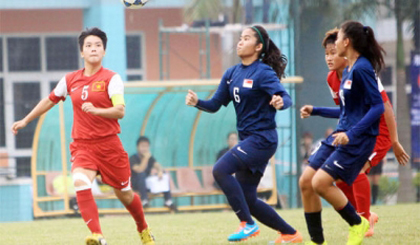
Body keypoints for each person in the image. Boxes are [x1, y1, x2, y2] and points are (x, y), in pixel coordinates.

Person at [11, 27, 154, 245]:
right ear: (82, 52)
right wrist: (26, 119)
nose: (93, 48)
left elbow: (120, 111)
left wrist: (98, 111)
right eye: (88, 45)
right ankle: (98, 235)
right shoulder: (70, 80)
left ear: (104, 51)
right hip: (83, 146)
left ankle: (143, 229)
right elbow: (50, 100)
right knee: (79, 182)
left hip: (109, 146)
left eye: (98, 45)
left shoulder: (111, 79)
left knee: (125, 194)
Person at [186, 25, 302, 244]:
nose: (240, 42)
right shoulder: (232, 73)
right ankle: (290, 233)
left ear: (258, 47)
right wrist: (197, 102)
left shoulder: (263, 72)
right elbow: (215, 105)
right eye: (240, 38)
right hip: (248, 140)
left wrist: (279, 102)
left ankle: (247, 224)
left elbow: (285, 97)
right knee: (248, 199)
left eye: (246, 38)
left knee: (220, 169)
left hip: (262, 140)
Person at [299, 21, 396, 245]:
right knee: (307, 181)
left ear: (347, 42)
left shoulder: (362, 68)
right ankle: (317, 240)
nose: (329, 55)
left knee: (320, 183)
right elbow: (346, 112)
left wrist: (352, 134)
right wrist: (316, 111)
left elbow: (379, 107)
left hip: (357, 139)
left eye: (335, 46)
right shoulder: (349, 70)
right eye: (327, 52)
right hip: (341, 134)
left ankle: (359, 221)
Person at [129, 136, 176, 211]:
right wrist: (146, 158)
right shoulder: (133, 158)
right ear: (137, 147)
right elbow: (140, 169)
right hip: (135, 185)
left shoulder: (150, 158)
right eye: (142, 146)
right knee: (142, 174)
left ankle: (168, 201)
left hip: (147, 185)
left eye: (146, 146)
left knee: (164, 174)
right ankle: (144, 200)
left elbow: (158, 166)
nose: (144, 149)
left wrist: (160, 171)